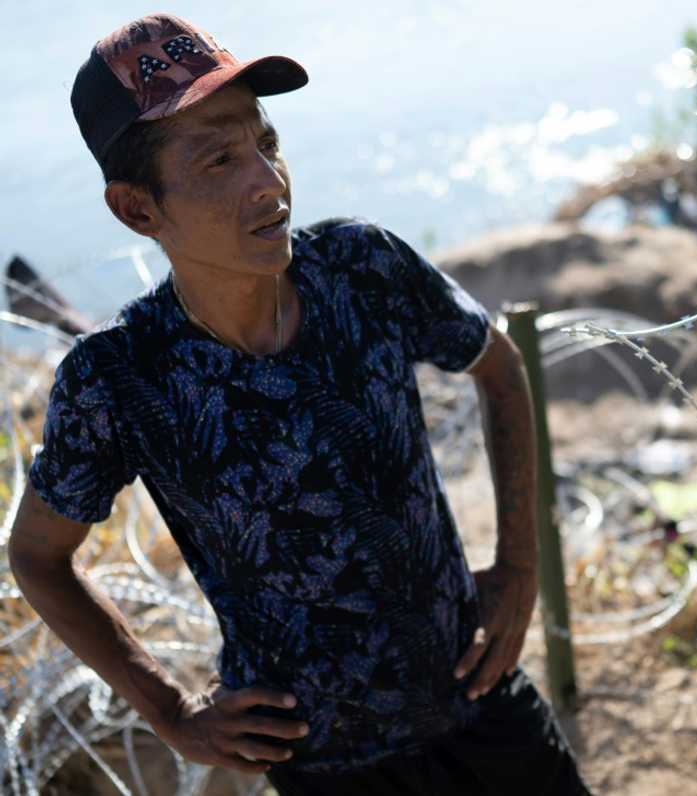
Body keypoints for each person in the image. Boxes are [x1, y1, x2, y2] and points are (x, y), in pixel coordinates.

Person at [8, 13, 591, 795]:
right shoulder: (118, 379)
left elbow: (498, 365)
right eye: (219, 159)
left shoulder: (363, 266)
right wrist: (171, 709)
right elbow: (38, 556)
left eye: (266, 142)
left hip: (479, 700)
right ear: (138, 210)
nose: (268, 181)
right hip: (320, 766)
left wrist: (520, 566)